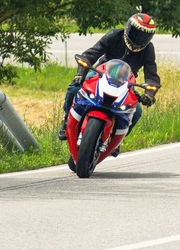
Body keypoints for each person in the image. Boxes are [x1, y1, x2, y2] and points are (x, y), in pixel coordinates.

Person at [57, 12, 161, 152]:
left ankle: (115, 141)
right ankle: (65, 122)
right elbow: (92, 53)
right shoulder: (115, 35)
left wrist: (149, 94)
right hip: (100, 73)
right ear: (128, 28)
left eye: (144, 36)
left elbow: (151, 74)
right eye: (136, 32)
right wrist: (81, 74)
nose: (139, 38)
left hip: (127, 83)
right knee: (75, 88)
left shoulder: (148, 49)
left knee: (136, 112)